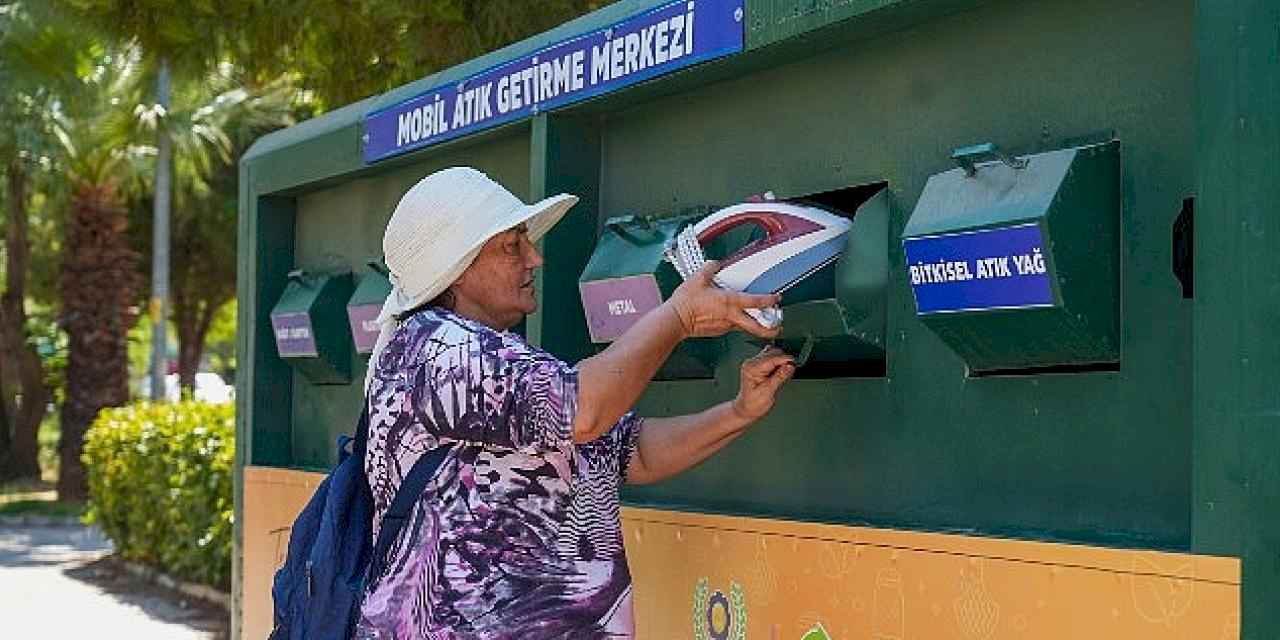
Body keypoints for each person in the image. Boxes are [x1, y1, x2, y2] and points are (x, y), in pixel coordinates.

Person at [354, 167, 796, 639]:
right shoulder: (434, 349)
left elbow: (632, 451)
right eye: (512, 245)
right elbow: (584, 410)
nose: (535, 258)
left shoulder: (496, 357)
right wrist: (681, 315)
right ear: (456, 266)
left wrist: (738, 412)